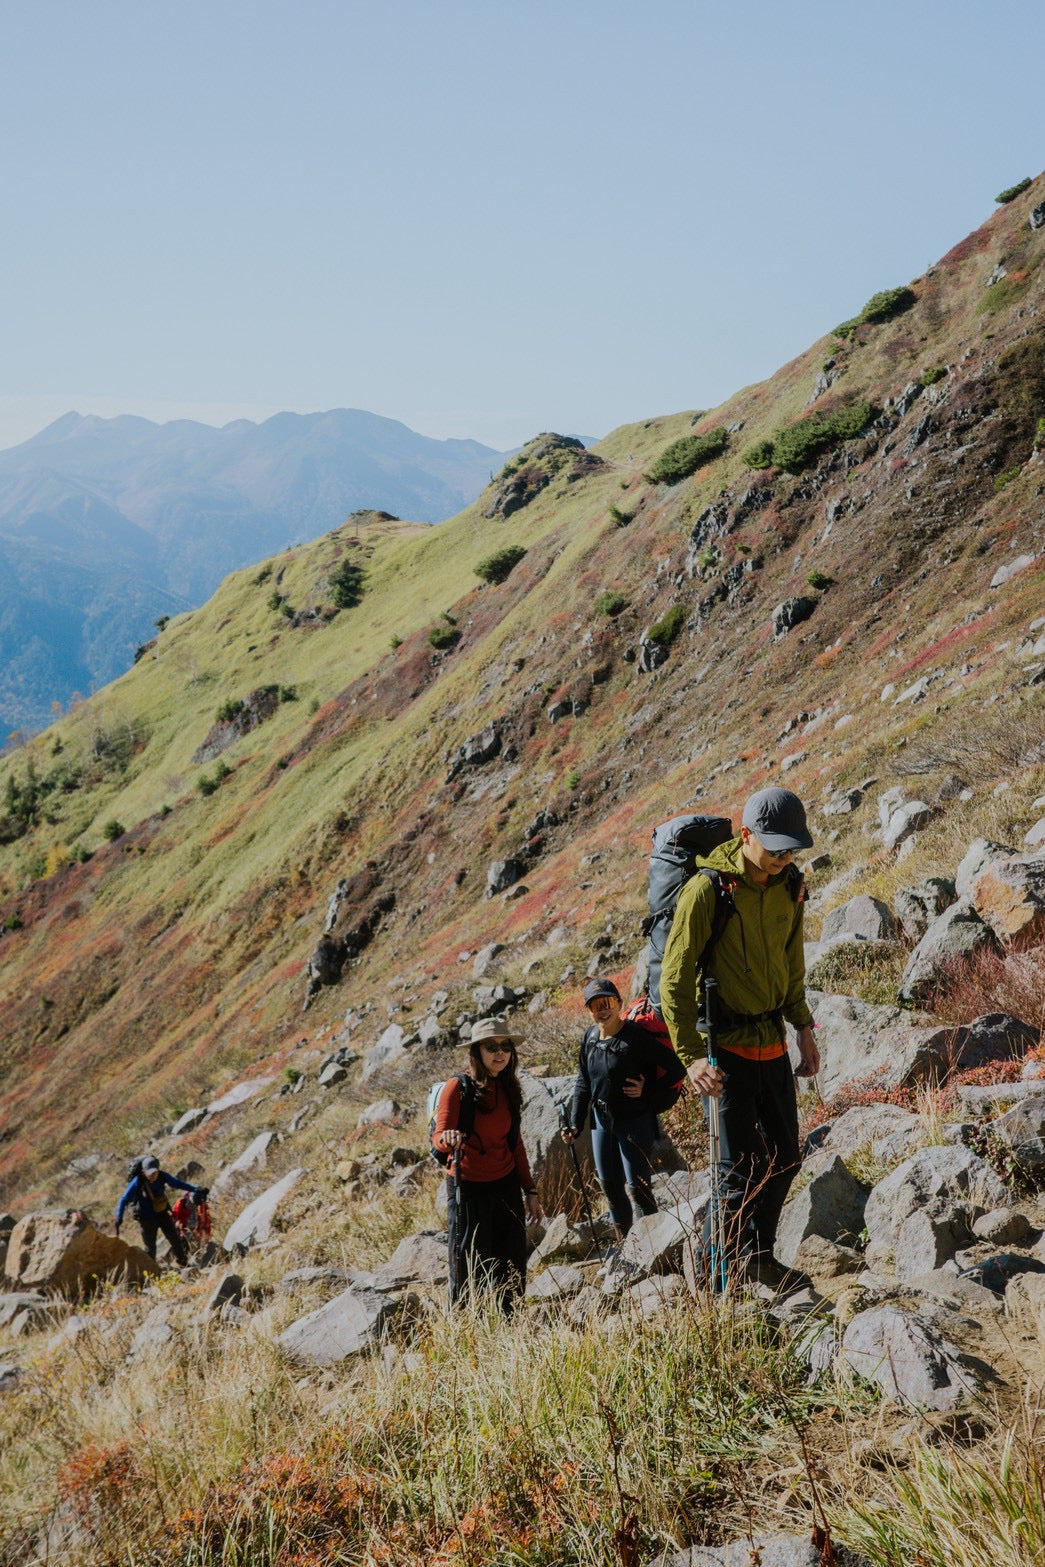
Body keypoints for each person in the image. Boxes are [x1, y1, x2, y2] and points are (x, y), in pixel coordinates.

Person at [659, 787, 820, 1290]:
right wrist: (690, 1059)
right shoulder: (708, 891)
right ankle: (710, 1285)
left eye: (791, 849)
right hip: (723, 1050)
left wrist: (804, 1028)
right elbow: (674, 981)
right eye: (775, 849)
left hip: (771, 1041)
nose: (783, 858)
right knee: (735, 1175)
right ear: (746, 835)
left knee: (786, 1159)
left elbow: (791, 963)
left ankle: (757, 1257)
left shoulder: (790, 885)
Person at [561, 978, 686, 1255]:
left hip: (634, 1121)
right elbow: (583, 1082)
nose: (601, 1010)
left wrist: (648, 1090)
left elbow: (677, 1068)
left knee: (639, 1187)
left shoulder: (635, 1037)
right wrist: (574, 1121)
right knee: (610, 1186)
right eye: (595, 1006)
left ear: (618, 1004)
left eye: (606, 1003)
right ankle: (626, 1247)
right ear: (589, 1011)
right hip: (600, 1123)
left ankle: (654, 1249)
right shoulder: (590, 1038)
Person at [432, 1017, 544, 1313]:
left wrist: (530, 1190)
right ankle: (466, 1325)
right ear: (477, 1052)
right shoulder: (457, 1088)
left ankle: (510, 1320)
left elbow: (515, 1144)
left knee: (512, 1262)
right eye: (491, 1046)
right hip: (468, 1188)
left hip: (505, 1184)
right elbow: (437, 1141)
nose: (500, 1053)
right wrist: (449, 1137)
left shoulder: (508, 1087)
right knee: (468, 1263)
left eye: (505, 1046)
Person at [115, 1156, 204, 1267]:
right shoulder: (137, 1182)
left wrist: (195, 1189)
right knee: (150, 1247)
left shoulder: (162, 1176)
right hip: (146, 1219)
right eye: (150, 1173)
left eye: (155, 1172)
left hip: (162, 1214)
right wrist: (119, 1217)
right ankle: (152, 1271)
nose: (153, 1176)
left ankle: (183, 1263)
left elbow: (177, 1183)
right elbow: (124, 1199)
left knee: (175, 1238)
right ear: (143, 1172)